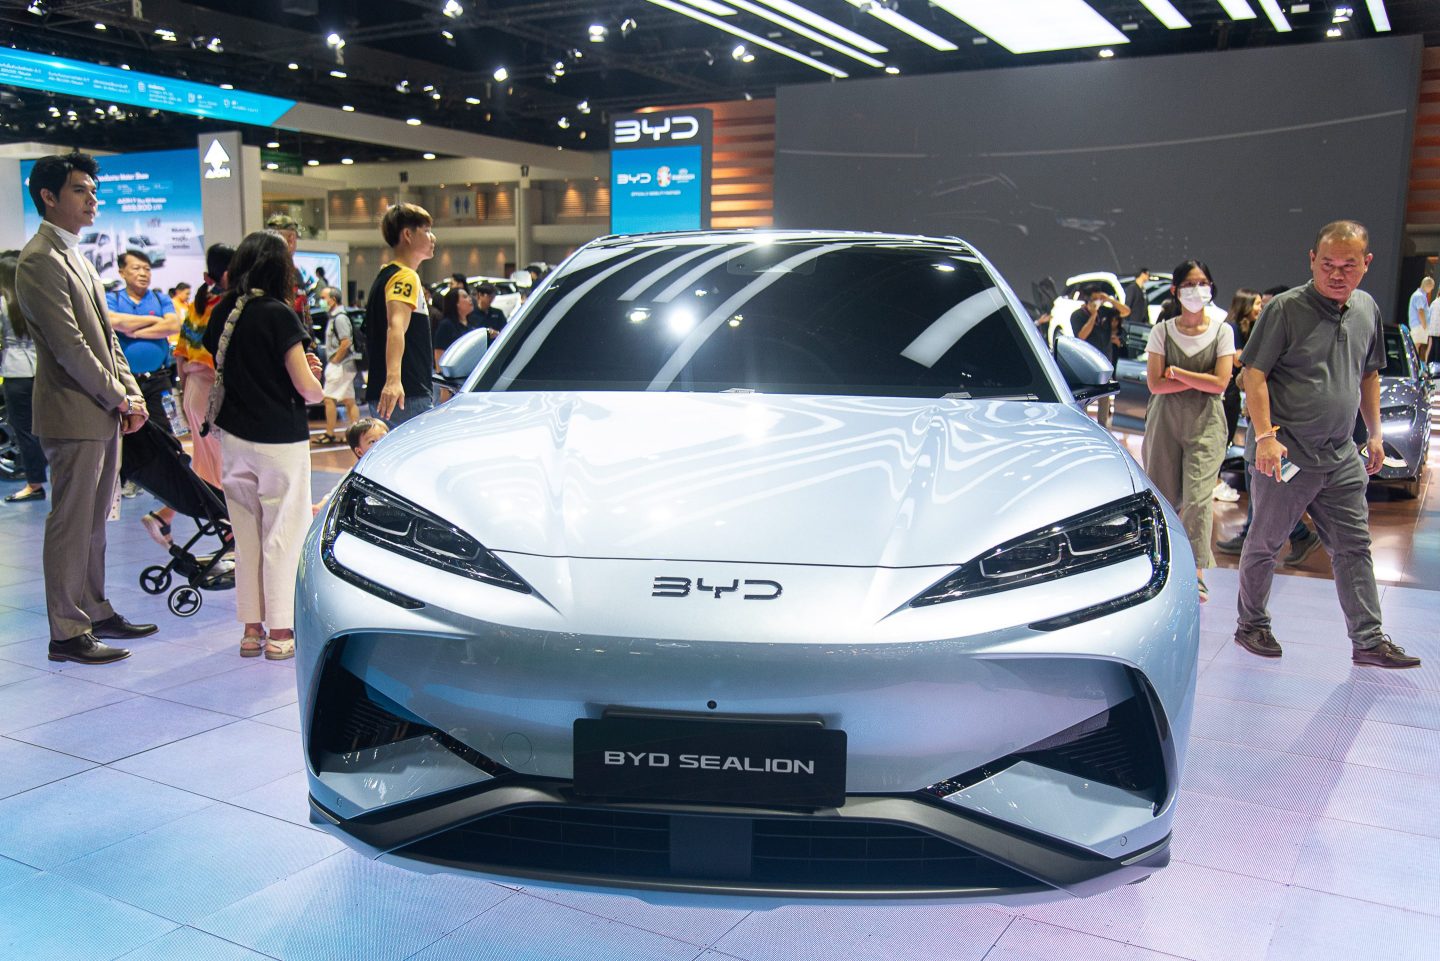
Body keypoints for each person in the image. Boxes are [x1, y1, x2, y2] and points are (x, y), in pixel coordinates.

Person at [1234, 220, 1420, 668]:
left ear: (1366, 264)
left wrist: (1373, 433)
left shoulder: (1366, 309)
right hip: (1288, 454)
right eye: (1328, 264)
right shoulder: (1284, 309)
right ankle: (1251, 624)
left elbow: (1369, 373)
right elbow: (1252, 374)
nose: (1337, 274)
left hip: (1340, 457)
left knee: (1354, 547)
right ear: (1311, 260)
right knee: (1266, 543)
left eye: (1348, 266)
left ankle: (1369, 640)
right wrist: (1264, 437)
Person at [14, 151, 156, 665]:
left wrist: (131, 393)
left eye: (94, 190)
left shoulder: (76, 256)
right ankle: (67, 631)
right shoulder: (38, 260)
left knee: (95, 522)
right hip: (72, 413)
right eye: (81, 190)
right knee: (72, 523)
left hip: (100, 410)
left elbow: (106, 339)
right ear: (49, 197)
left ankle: (94, 610)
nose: (93, 198)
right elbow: (70, 347)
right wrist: (118, 396)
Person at [202, 230, 324, 660]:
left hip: (233, 441)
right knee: (284, 534)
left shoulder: (222, 315)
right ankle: (281, 633)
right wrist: (317, 379)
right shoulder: (279, 314)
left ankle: (251, 631)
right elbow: (308, 390)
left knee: (247, 536)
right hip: (279, 441)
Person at [1142, 259, 1236, 603]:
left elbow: (1221, 382)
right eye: (1190, 285)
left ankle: (1196, 572)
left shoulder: (1222, 330)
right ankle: (1163, 566)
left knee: (1198, 500)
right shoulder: (1163, 330)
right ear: (1175, 291)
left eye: (1203, 283)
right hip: (1165, 422)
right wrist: (1198, 379)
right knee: (1164, 495)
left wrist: (1177, 373)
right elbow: (1155, 384)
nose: (1198, 291)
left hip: (1206, 423)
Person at [1214, 286, 1321, 565]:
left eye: (1268, 304)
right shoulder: (1263, 331)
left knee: (1268, 480)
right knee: (1262, 479)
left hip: (1272, 426)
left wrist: (1245, 377)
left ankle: (1297, 535)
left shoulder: (1286, 337)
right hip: (1262, 424)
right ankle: (1278, 534)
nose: (1265, 310)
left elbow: (1254, 375)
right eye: (1263, 304)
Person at [365, 203, 437, 427]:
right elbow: (396, 326)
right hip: (406, 396)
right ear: (407, 234)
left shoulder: (385, 275)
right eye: (426, 230)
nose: (432, 237)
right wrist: (394, 380)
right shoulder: (405, 277)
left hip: (392, 394)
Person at [173, 243, 233, 492]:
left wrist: (185, 401)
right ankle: (229, 527)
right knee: (223, 469)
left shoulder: (198, 306)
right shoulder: (226, 307)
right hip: (214, 395)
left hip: (194, 394)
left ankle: (163, 517)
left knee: (206, 465)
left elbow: (180, 356)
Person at [0, 249, 49, 502]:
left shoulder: (2, 304)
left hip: (15, 372)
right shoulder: (38, 299)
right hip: (43, 371)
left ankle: (34, 485)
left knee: (26, 432)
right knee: (49, 429)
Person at [1073, 285, 1128, 429]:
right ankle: (1084, 427)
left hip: (1105, 361)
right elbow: (1081, 336)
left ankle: (1103, 428)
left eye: (1099, 298)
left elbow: (1126, 311)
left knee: (1105, 398)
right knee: (1085, 397)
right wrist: (1093, 315)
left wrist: (1109, 299)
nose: (1097, 301)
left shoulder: (1106, 312)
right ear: (1087, 299)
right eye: (1094, 299)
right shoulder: (1077, 315)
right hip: (1086, 363)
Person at [314, 286, 360, 445]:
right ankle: (356, 434)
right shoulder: (335, 317)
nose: (322, 301)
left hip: (340, 366)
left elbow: (346, 342)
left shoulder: (339, 318)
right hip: (345, 366)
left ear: (333, 300)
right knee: (349, 400)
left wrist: (334, 360)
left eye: (323, 298)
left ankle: (329, 433)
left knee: (328, 399)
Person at [1410, 276, 1433, 363]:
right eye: (1431, 287)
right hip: (1419, 325)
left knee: (1416, 346)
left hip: (1418, 325)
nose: (1432, 289)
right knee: (1415, 346)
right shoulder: (1420, 296)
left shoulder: (1419, 295)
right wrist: (1424, 324)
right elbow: (1420, 311)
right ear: (1428, 286)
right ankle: (1415, 365)